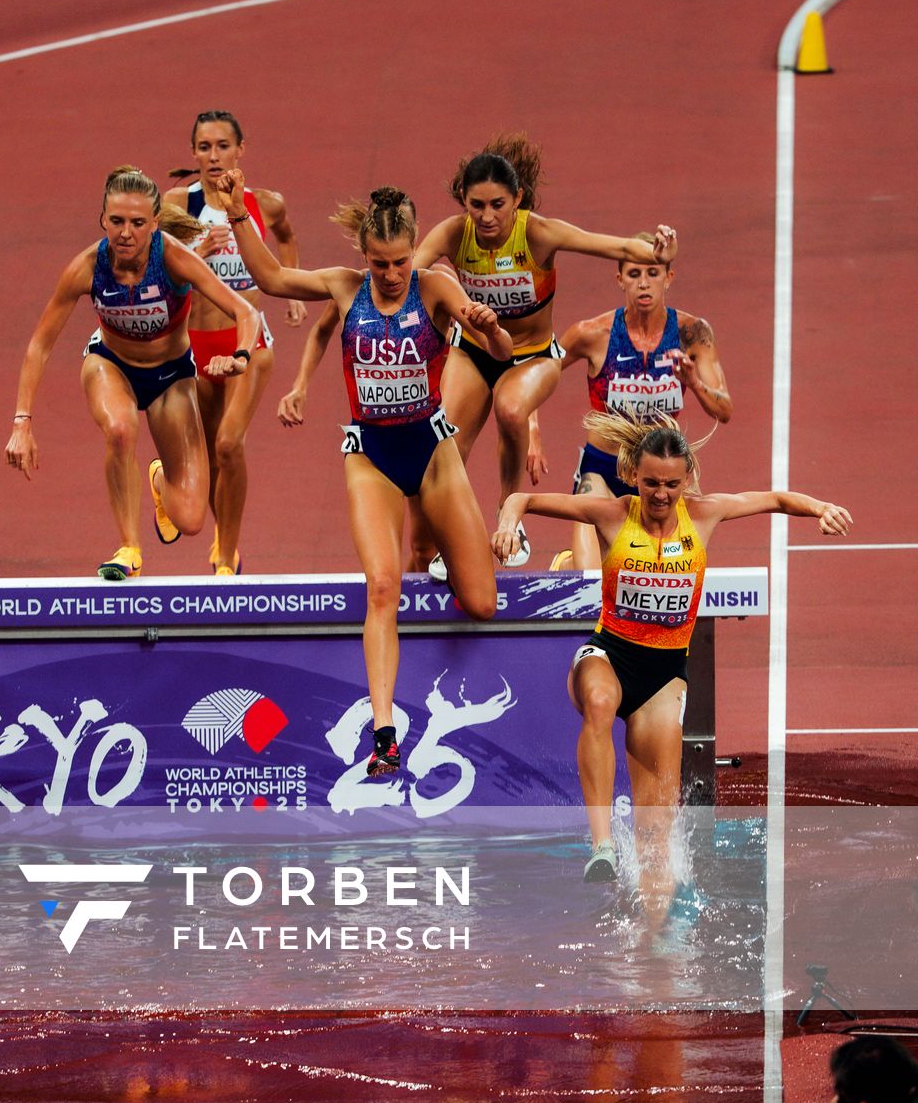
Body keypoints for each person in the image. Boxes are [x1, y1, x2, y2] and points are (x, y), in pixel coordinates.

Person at [491, 412, 851, 914]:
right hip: (609, 653)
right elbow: (523, 499)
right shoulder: (614, 513)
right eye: (652, 483)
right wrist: (510, 520)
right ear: (634, 475)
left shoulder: (703, 514)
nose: (661, 494)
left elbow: (772, 499)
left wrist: (820, 508)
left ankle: (656, 932)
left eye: (672, 484)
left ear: (688, 479)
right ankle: (601, 848)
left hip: (664, 677)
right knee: (598, 702)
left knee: (657, 830)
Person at [222, 170, 507, 778]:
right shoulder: (345, 289)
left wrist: (490, 328)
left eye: (400, 262)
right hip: (371, 454)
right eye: (380, 264)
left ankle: (435, 556)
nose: (391, 275)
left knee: (481, 602)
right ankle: (385, 737)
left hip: (432, 452)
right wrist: (237, 214)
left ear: (413, 251)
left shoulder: (434, 290)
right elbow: (272, 279)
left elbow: (503, 354)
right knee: (382, 587)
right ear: (364, 256)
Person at [412, 134, 677, 573]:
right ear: (463, 199)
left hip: (533, 356)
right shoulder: (453, 235)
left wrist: (657, 251)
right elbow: (410, 270)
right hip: (474, 352)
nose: (487, 216)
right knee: (445, 446)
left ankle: (508, 514)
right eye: (477, 205)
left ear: (517, 199)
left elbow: (609, 245)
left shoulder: (537, 233)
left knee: (511, 408)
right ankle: (456, 537)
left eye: (498, 204)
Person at [6, 165, 259, 579]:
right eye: (117, 221)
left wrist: (242, 357)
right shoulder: (87, 266)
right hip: (111, 364)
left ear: (155, 223)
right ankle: (129, 549)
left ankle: (159, 481)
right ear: (103, 218)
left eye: (138, 223)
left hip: (170, 377)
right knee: (121, 429)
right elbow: (40, 343)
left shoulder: (174, 259)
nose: (126, 233)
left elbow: (245, 311)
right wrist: (22, 420)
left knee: (191, 520)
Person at [166, 110, 304, 575]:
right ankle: (192, 507)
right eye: (204, 147)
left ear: (241, 149)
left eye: (223, 146)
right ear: (193, 153)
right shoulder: (174, 206)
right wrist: (192, 254)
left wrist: (291, 292)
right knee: (206, 457)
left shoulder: (264, 204)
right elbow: (155, 269)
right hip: (195, 342)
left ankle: (227, 554)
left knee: (229, 445)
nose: (214, 156)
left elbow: (285, 238)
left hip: (248, 338)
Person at [556, 238, 732, 569]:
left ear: (669, 276)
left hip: (663, 474)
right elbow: (537, 375)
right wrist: (532, 430)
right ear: (619, 278)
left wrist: (693, 382)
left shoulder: (691, 333)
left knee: (657, 570)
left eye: (653, 273)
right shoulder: (593, 333)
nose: (643, 283)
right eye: (634, 273)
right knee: (592, 577)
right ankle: (568, 565)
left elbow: (724, 410)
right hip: (604, 470)